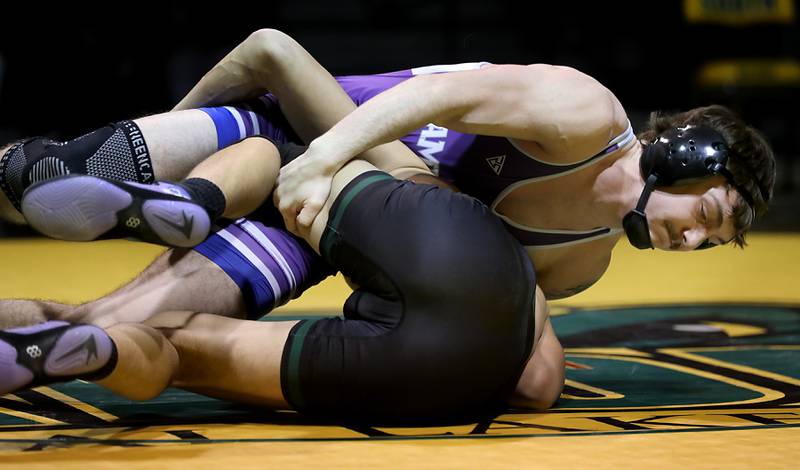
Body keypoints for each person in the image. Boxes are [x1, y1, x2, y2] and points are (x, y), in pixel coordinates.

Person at [0, 30, 777, 304]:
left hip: (324, 216)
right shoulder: (582, 114)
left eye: (715, 242)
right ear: (679, 155)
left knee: (152, 317)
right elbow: (432, 94)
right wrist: (325, 156)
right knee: (34, 183)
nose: (695, 245)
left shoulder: (580, 268)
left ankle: (186, 200)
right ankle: (172, 184)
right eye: (707, 218)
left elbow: (453, 283)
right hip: (300, 123)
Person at [1, 135, 563, 422]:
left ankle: (192, 198)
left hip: (435, 234)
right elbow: (538, 389)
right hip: (452, 373)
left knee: (277, 155)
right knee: (171, 350)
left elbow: (270, 52)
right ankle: (99, 354)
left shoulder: (437, 186)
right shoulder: (519, 265)